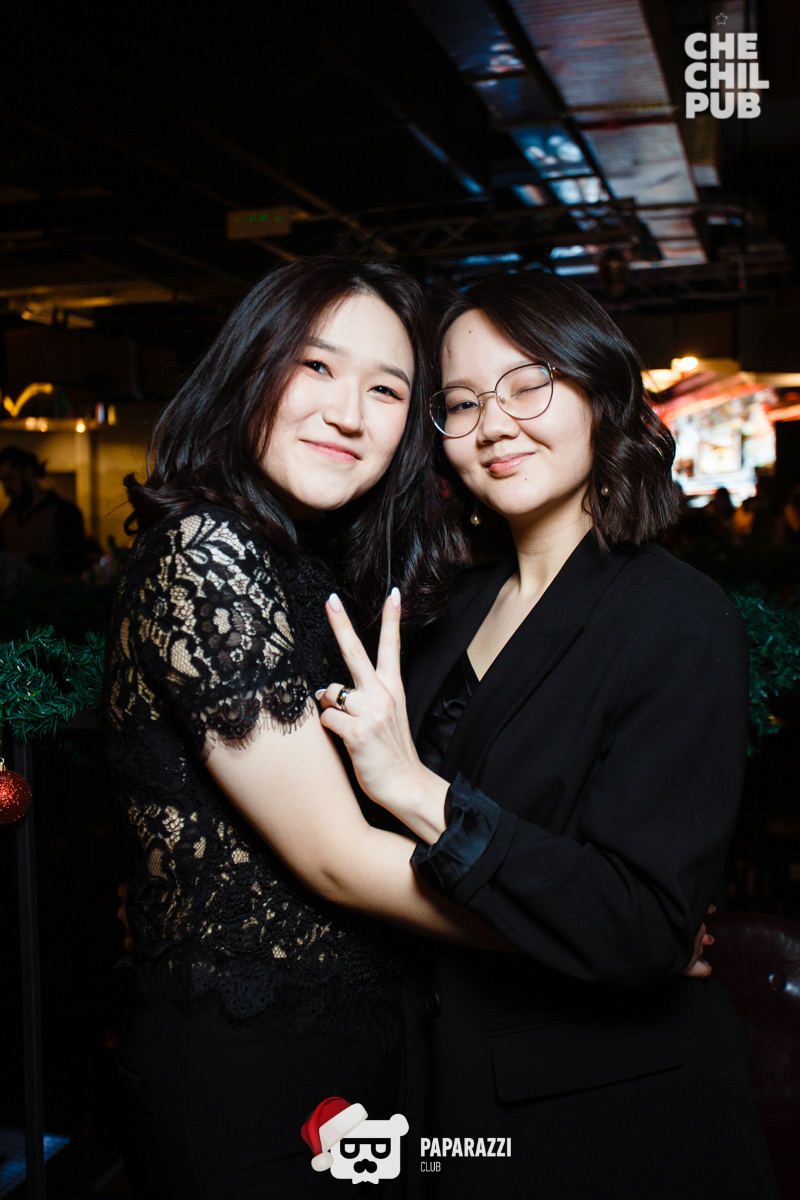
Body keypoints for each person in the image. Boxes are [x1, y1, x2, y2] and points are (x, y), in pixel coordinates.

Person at [315, 271, 778, 1200]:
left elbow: (642, 926)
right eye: (460, 403)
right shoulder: (449, 612)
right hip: (446, 1098)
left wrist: (415, 789)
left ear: (600, 393)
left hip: (611, 1120)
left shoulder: (678, 619)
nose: (494, 425)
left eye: (529, 384)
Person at [106, 255, 526, 1200]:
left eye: (387, 390)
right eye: (316, 366)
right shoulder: (205, 552)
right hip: (248, 1068)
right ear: (249, 368)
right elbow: (336, 856)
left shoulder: (318, 566)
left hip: (363, 1048)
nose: (349, 413)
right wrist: (600, 935)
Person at [0, 445, 86, 574]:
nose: (6, 488)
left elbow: (75, 565)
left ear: (28, 472)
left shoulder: (65, 512)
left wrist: (30, 560)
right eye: (3, 482)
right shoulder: (7, 518)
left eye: (10, 479)